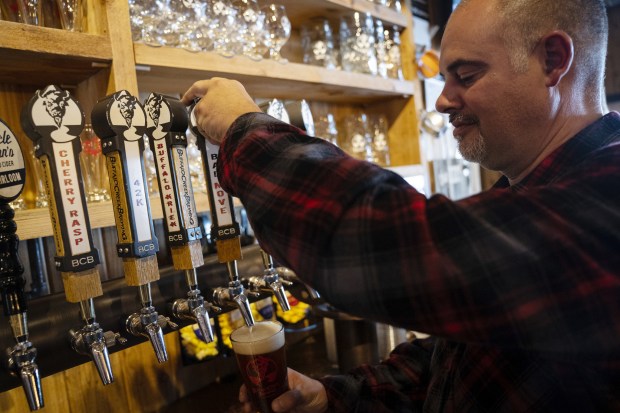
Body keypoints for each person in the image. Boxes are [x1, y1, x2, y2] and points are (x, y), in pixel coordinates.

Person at [182, 0, 620, 410]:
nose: (443, 100)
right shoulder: (527, 192)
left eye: (466, 76)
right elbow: (462, 357)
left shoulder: (608, 193)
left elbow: (388, 242)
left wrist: (245, 129)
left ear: (553, 60)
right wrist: (337, 397)